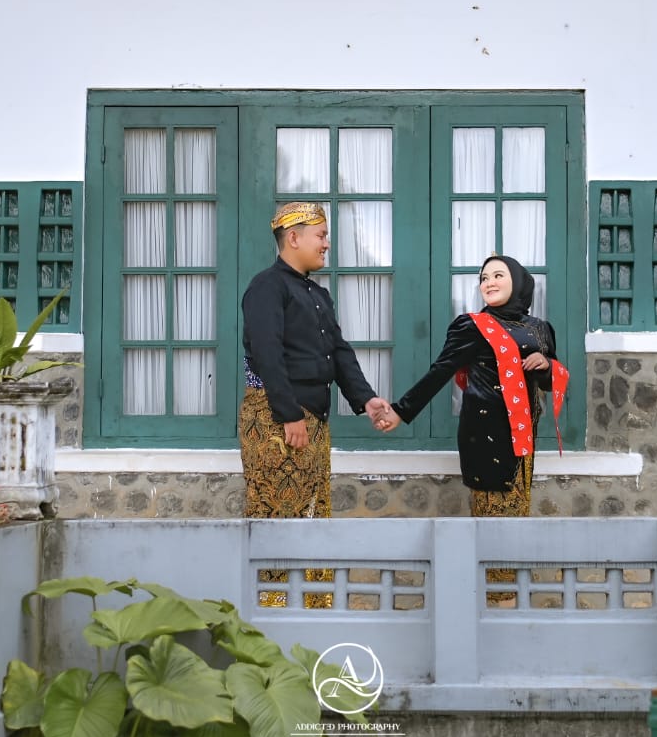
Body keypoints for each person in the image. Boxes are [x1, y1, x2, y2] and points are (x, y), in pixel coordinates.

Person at [373, 254, 567, 518]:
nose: (489, 283)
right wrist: (401, 410)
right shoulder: (472, 326)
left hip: (523, 434)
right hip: (485, 432)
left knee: (517, 512)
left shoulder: (540, 329)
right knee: (491, 514)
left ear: (518, 281)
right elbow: (440, 371)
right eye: (484, 278)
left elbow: (550, 381)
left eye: (498, 276)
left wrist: (545, 365)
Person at [240, 200, 393, 520]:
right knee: (279, 519)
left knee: (312, 515)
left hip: (313, 418)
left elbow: (337, 351)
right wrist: (289, 415)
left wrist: (365, 399)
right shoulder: (267, 286)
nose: (327, 244)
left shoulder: (318, 295)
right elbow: (268, 354)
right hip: (278, 420)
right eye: (321, 235)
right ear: (294, 238)